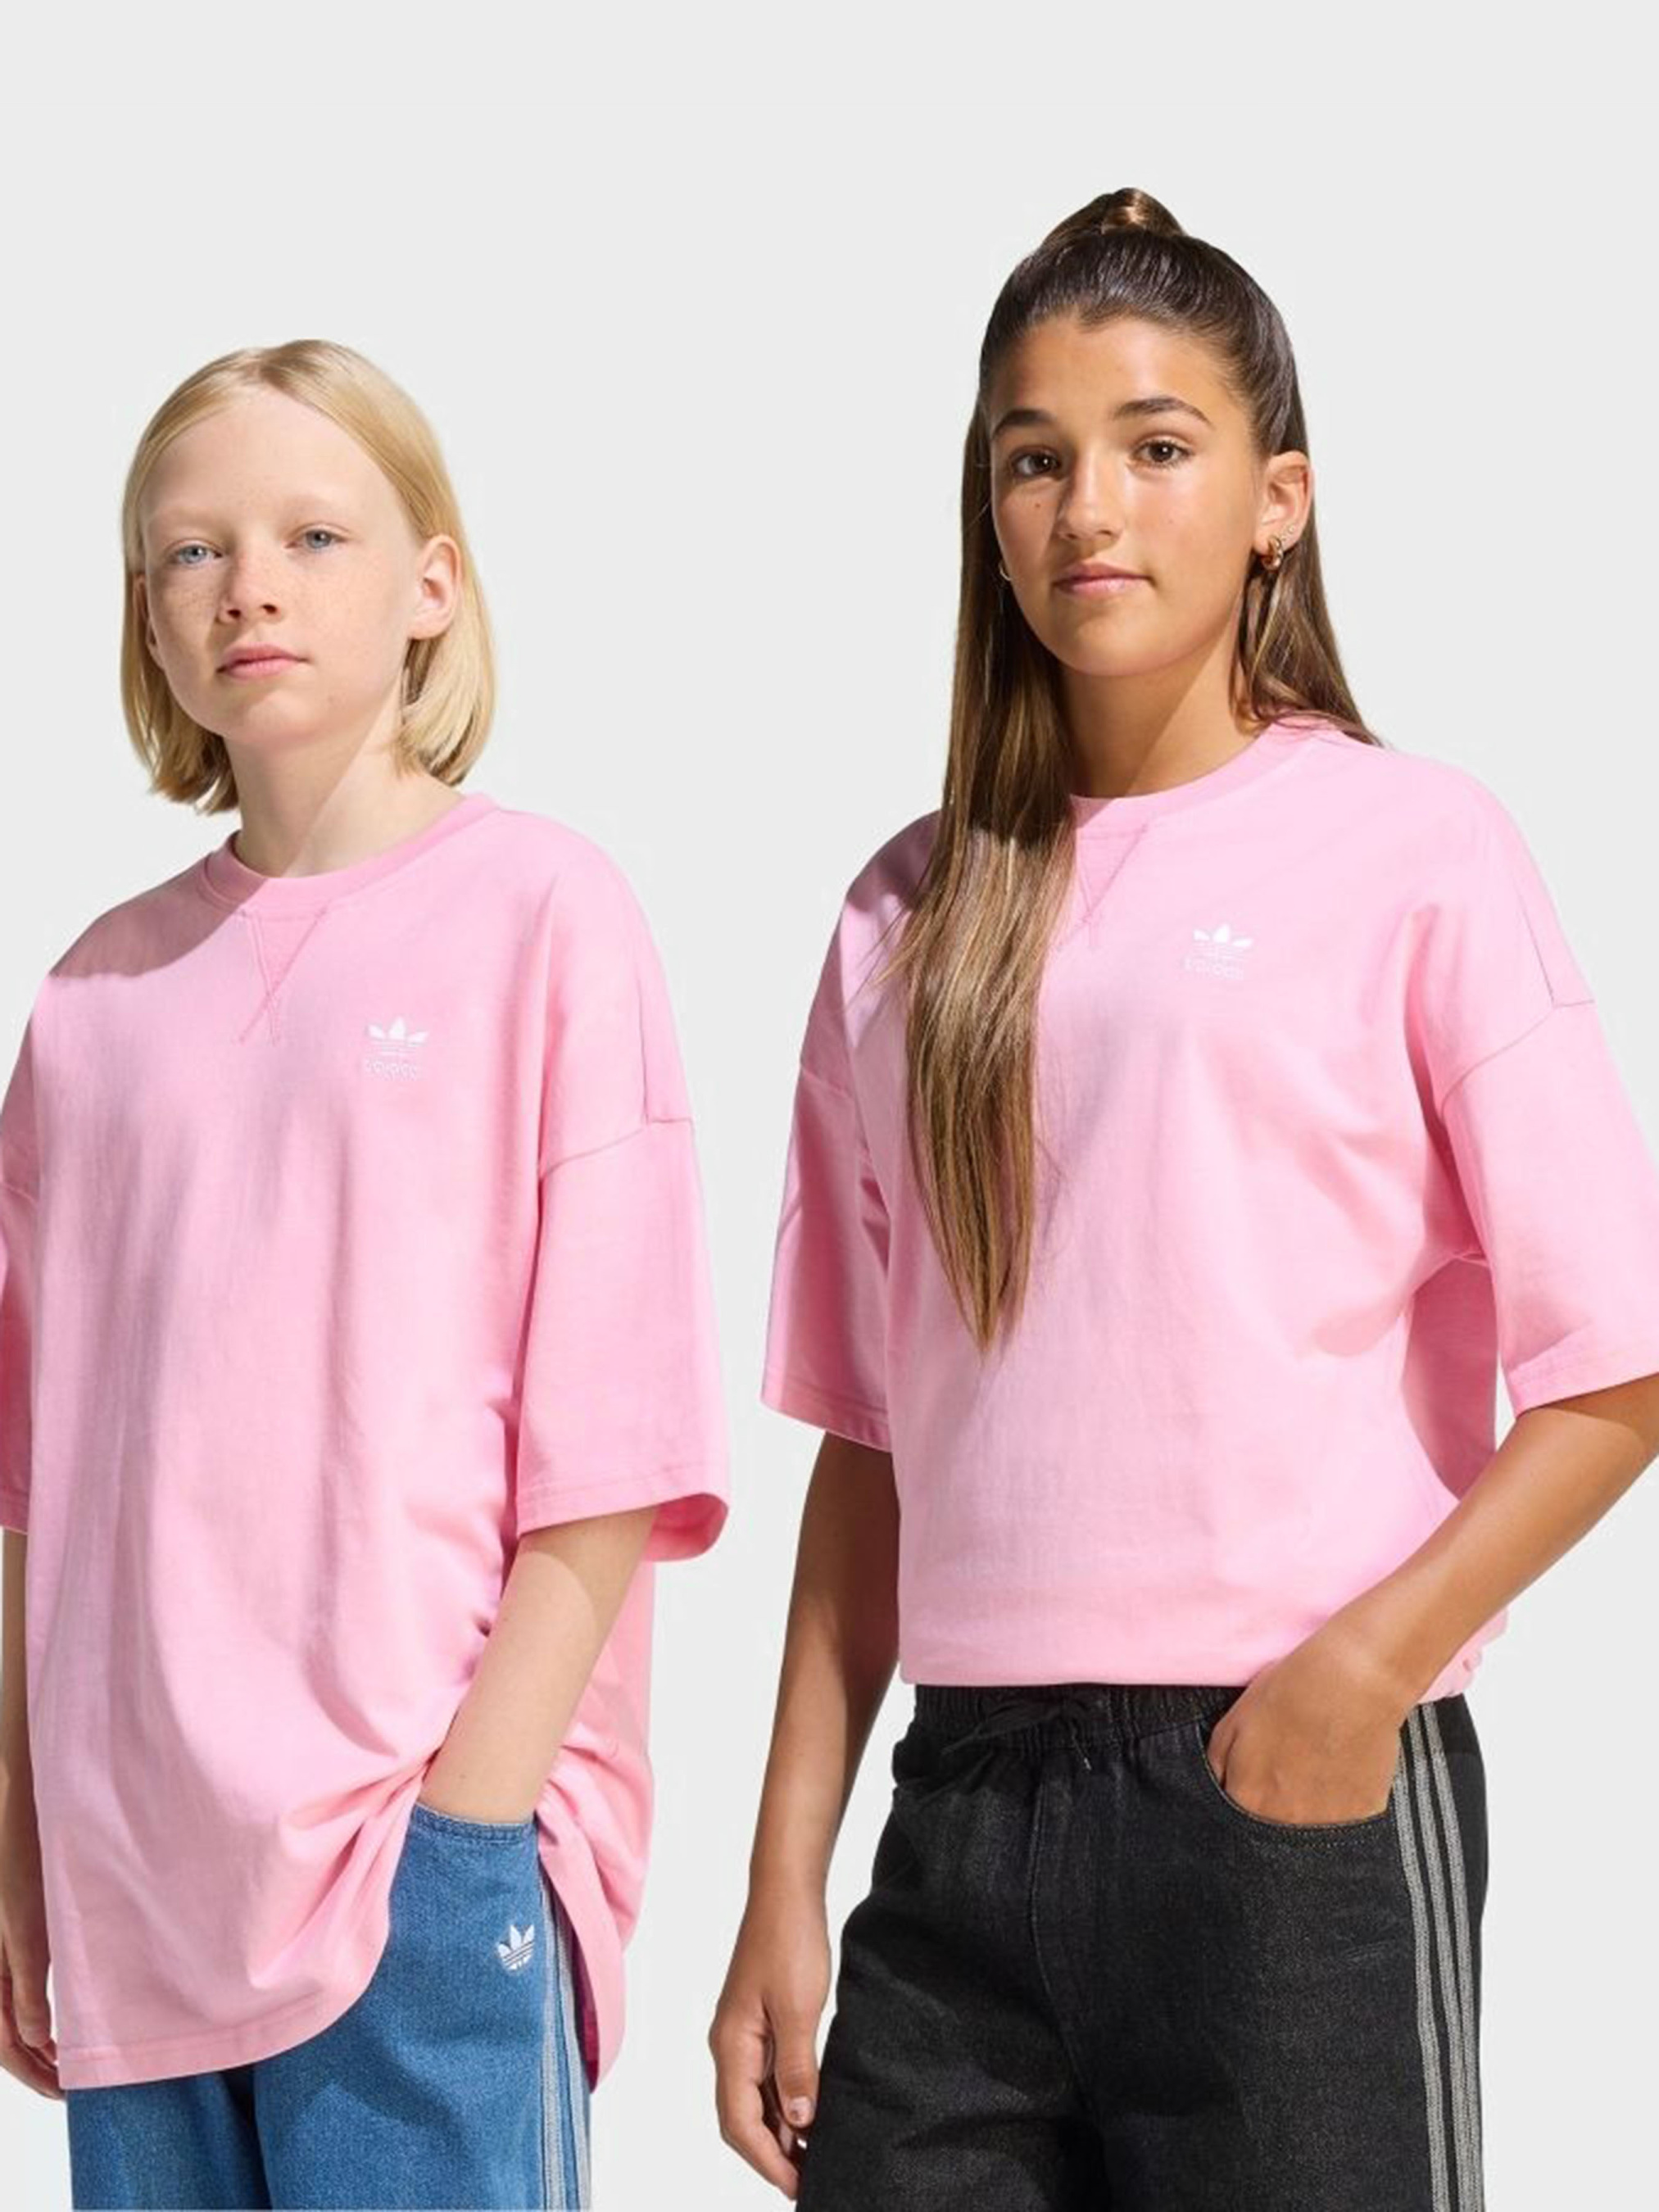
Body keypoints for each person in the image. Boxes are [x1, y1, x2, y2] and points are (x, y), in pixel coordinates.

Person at [709, 188, 1659, 2210]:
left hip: (1283, 1803)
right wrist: (783, 1879)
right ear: (985, 514)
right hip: (957, 1815)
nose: (1087, 508)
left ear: (1274, 502)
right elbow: (868, 1444)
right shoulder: (902, 916)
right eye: (1031, 459)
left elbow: (1617, 1366)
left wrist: (1364, 1671)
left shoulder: (1411, 851)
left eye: (1155, 447)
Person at [0, 338, 728, 2210]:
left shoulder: (545, 917)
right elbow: (34, 1492)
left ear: (431, 585)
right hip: (136, 1891)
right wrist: (18, 1839)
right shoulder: (90, 1002)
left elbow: (614, 1445)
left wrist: (468, 1820)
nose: (248, 584)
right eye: (192, 551)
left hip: (418, 1864)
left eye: (313, 535)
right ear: (146, 619)